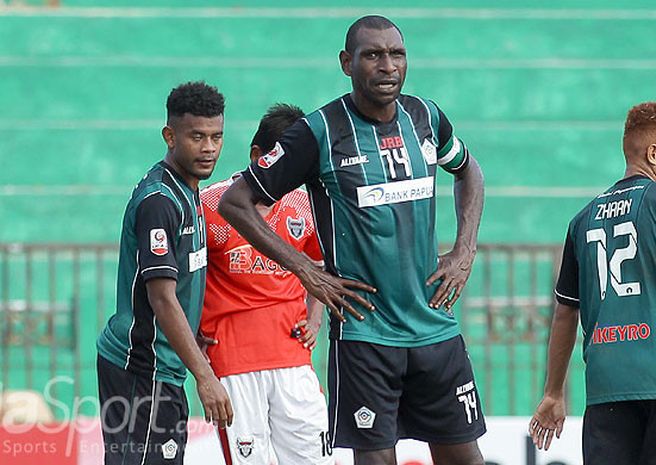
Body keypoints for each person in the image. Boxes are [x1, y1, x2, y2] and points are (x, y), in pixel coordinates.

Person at [218, 15, 486, 465]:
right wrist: (306, 271)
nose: (387, 66)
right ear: (347, 62)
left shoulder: (426, 116)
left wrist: (464, 249)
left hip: (434, 328)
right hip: (364, 334)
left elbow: (469, 170)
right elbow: (235, 203)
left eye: (396, 54)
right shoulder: (319, 132)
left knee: (464, 458)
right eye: (373, 55)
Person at [529, 102, 656, 464]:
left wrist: (553, 392)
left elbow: (564, 313)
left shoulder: (582, 219)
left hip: (606, 388)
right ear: (654, 154)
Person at [96, 81, 233, 465]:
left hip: (164, 365)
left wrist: (193, 334)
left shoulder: (188, 191)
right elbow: (161, 296)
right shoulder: (160, 201)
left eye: (216, 136)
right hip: (143, 365)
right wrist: (204, 376)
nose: (208, 148)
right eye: (197, 137)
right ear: (170, 136)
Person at [199, 103, 332, 465]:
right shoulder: (209, 206)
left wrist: (316, 317)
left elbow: (320, 266)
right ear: (258, 155)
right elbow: (182, 279)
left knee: (315, 460)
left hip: (292, 357)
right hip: (232, 360)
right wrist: (194, 327)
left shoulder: (305, 206)